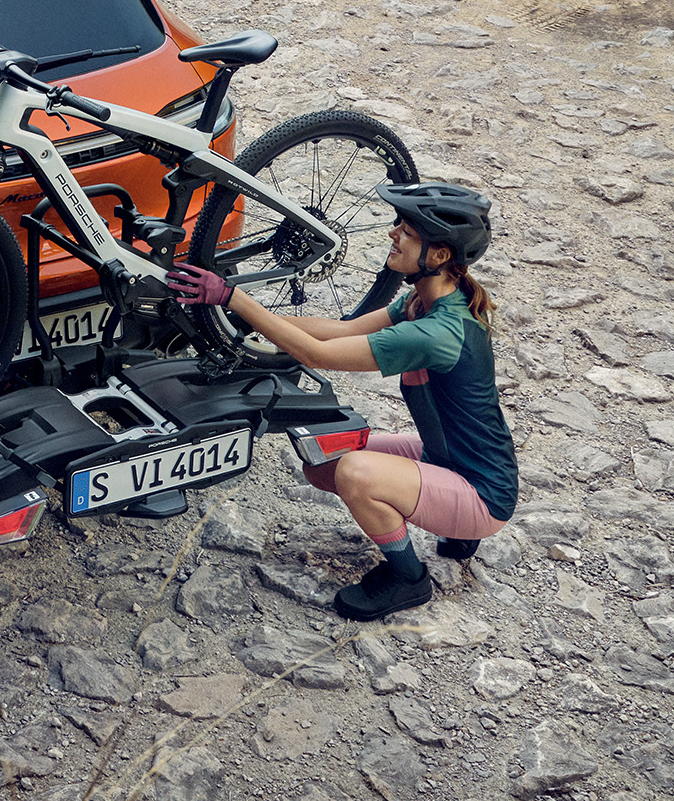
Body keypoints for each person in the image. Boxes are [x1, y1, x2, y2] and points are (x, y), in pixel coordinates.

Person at [173, 183, 517, 621]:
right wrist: (240, 316)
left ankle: (409, 579)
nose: (394, 233)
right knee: (324, 463)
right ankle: (455, 532)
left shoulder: (435, 333)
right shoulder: (423, 302)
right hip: (446, 458)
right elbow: (337, 330)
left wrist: (232, 296)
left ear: (440, 255)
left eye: (408, 230)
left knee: (353, 472)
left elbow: (319, 355)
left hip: (482, 495)